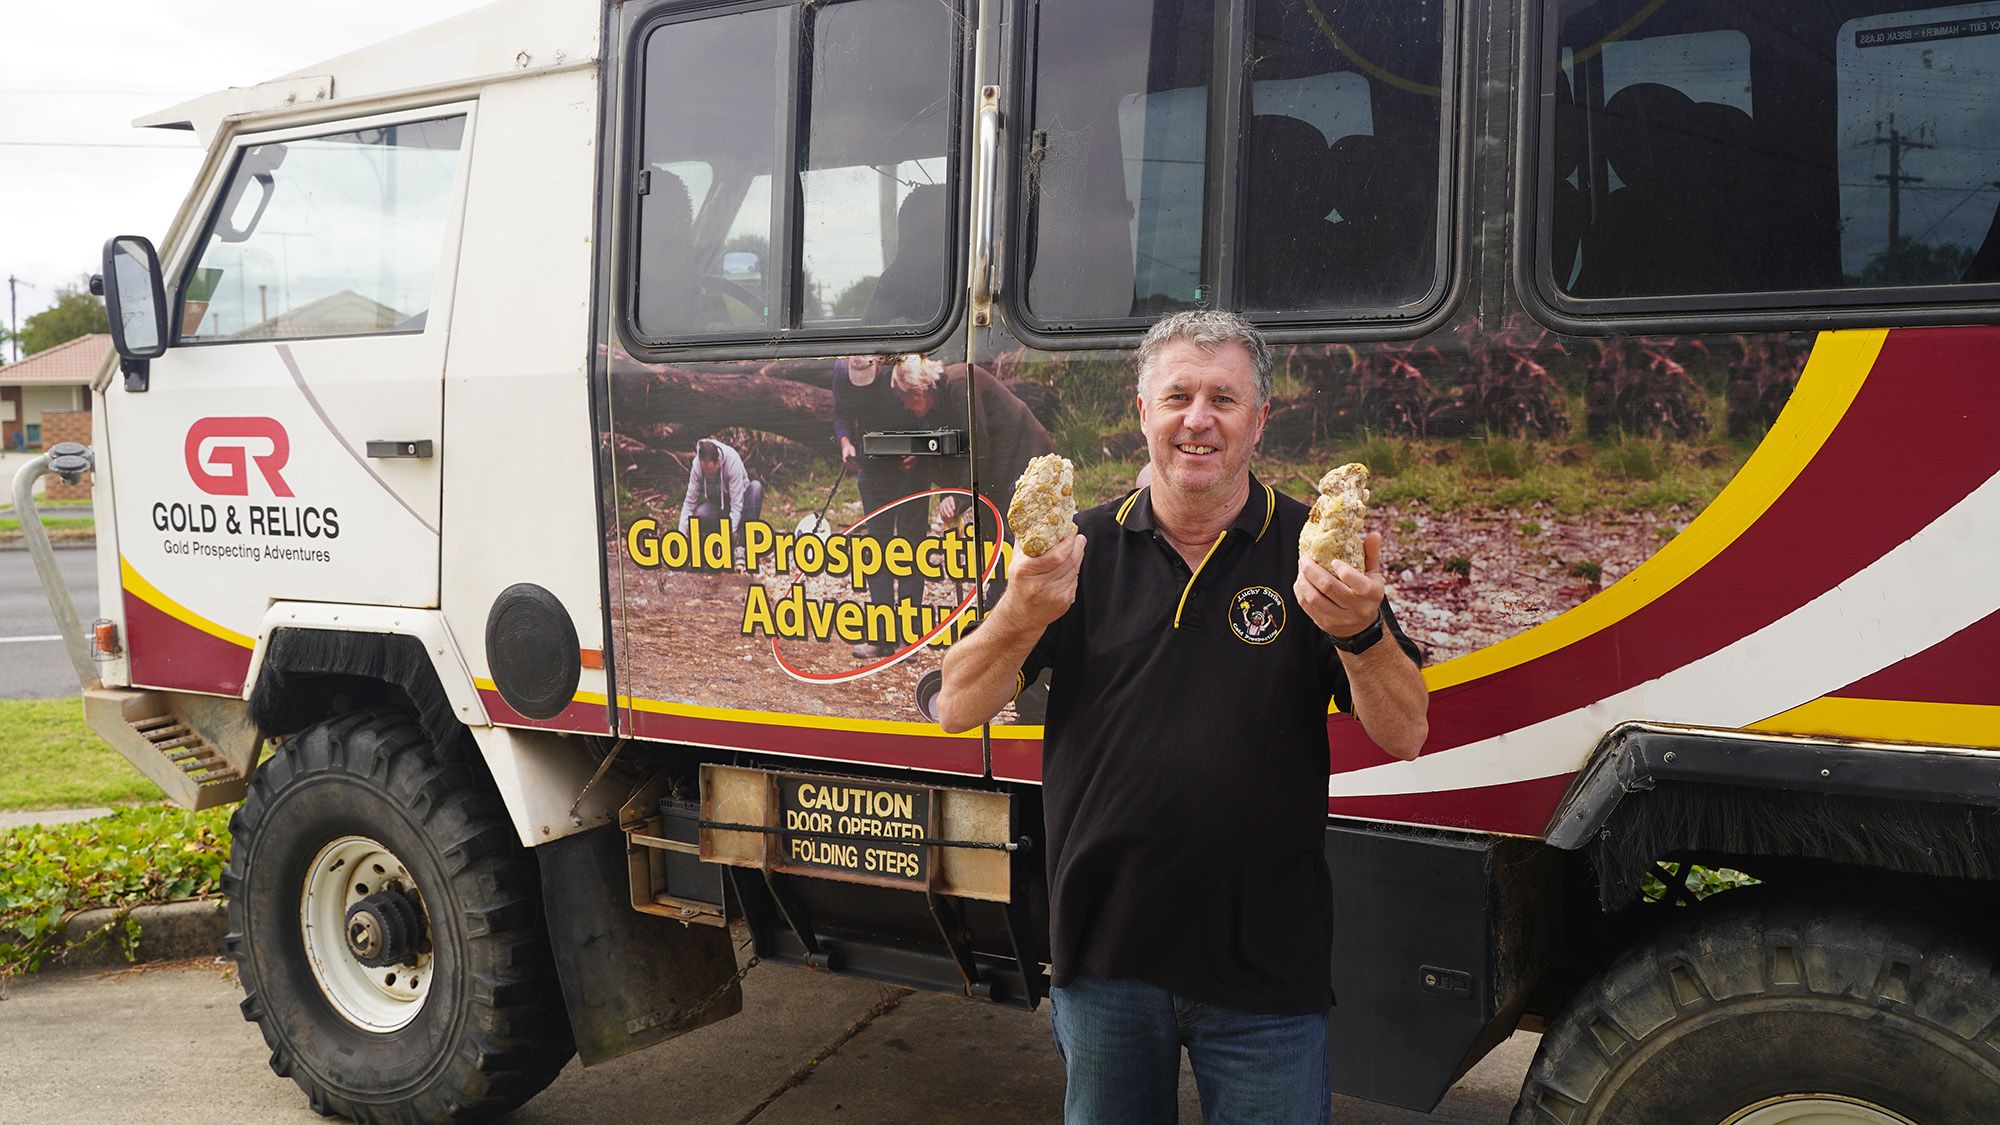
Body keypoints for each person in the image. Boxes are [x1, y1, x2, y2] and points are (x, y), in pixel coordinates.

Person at [936, 310, 1429, 1124]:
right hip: (1106, 963)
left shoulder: (1313, 549)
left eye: (1223, 399)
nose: (1197, 419)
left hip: (1267, 972)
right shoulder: (1075, 548)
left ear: (1259, 421)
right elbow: (957, 704)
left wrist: (1362, 633)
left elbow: (1406, 729)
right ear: (1142, 413)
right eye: (1178, 396)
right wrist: (1023, 610)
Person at [834, 354, 940, 657]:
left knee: (910, 547)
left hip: (913, 467)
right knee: (877, 549)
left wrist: (919, 449)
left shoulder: (905, 364)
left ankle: (909, 636)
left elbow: (930, 410)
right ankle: (882, 636)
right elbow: (840, 414)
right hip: (872, 467)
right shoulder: (842, 371)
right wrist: (845, 443)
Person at [677, 438, 764, 559]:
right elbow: (689, 502)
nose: (707, 475)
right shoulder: (697, 465)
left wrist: (728, 537)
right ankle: (712, 541)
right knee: (700, 514)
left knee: (756, 488)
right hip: (717, 504)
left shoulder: (732, 461)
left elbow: (736, 505)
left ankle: (742, 544)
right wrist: (681, 535)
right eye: (705, 472)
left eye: (710, 472)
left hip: (741, 502)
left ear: (718, 461)